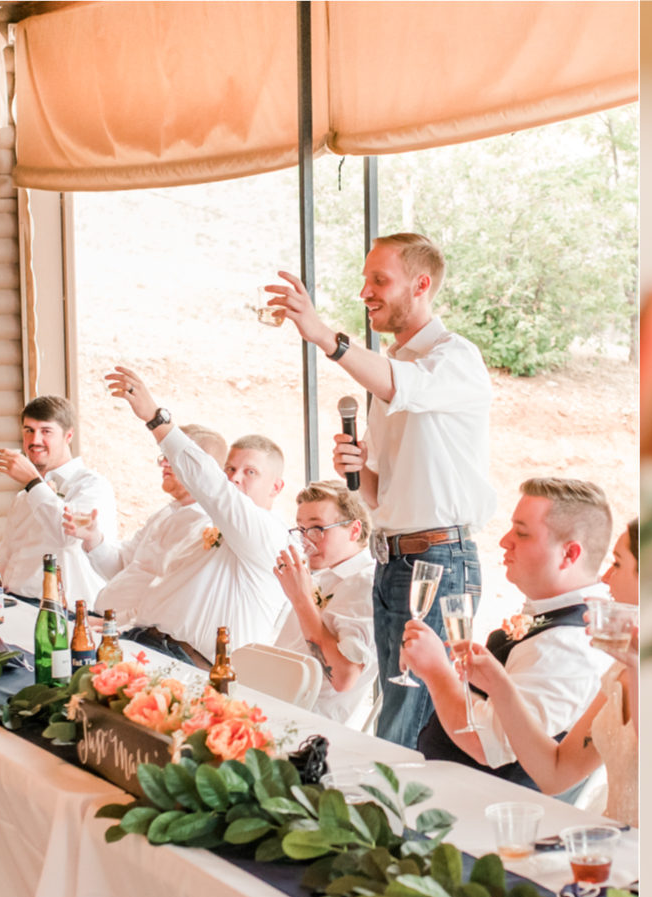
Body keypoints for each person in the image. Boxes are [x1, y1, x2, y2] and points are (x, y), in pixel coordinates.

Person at [269, 233, 497, 749]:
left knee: (407, 726)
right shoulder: (388, 369)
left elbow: (404, 385)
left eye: (379, 280)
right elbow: (379, 495)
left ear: (421, 285)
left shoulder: (454, 357)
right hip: (393, 562)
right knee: (395, 711)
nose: (365, 291)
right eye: (366, 279)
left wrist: (327, 337)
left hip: (439, 562)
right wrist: (360, 471)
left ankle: (396, 825)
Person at [401, 478, 613, 791]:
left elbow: (489, 744)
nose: (504, 541)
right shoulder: (557, 621)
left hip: (478, 811)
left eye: (522, 533)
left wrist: (436, 671)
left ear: (569, 554)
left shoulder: (568, 647)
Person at [103, 366, 293, 667]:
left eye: (250, 472)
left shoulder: (269, 533)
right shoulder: (206, 525)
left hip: (189, 662)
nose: (234, 479)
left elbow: (213, 488)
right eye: (229, 469)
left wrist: (157, 419)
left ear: (276, 487)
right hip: (141, 642)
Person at [465, 519, 639, 825]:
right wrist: (501, 688)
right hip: (614, 845)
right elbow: (555, 774)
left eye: (618, 563)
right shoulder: (620, 669)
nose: (607, 577)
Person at [62, 424, 228, 626]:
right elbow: (122, 567)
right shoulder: (165, 513)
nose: (163, 464)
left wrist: (111, 626)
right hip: (101, 620)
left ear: (203, 464)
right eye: (163, 456)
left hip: (130, 634)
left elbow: (169, 602)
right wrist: (94, 539)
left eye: (172, 456)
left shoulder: (207, 530)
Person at [270, 480, 378, 732]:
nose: (306, 541)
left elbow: (343, 676)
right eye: (301, 529)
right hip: (275, 705)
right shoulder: (325, 576)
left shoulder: (363, 583)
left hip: (305, 728)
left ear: (354, 530)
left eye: (318, 529)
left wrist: (300, 598)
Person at [0, 395, 117, 607]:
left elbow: (68, 537)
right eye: (28, 430)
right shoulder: (23, 497)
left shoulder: (92, 485)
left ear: (68, 435)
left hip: (65, 612)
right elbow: (7, 554)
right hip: (15, 603)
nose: (35, 441)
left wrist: (33, 483)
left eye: (46, 431)